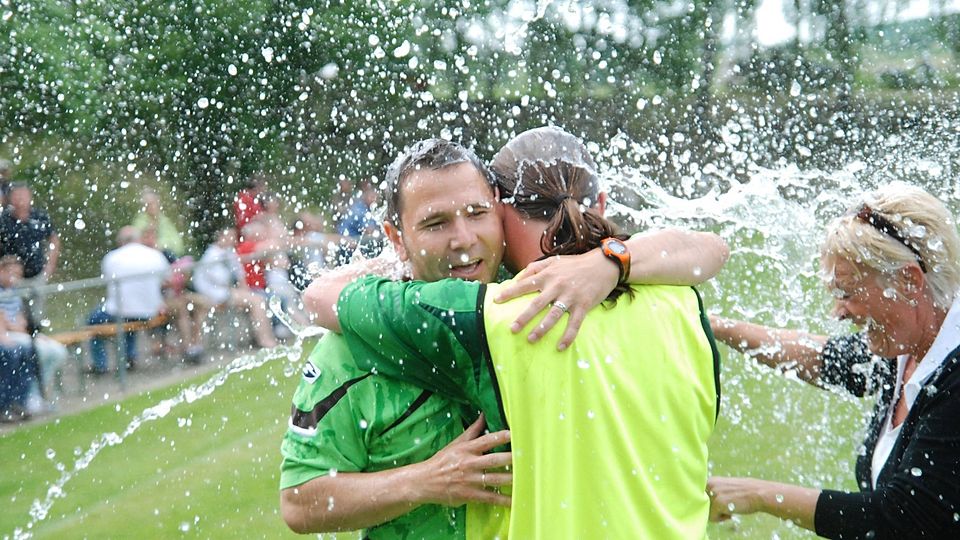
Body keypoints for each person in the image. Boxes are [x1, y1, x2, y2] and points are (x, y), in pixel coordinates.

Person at [302, 128, 723, 538]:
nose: (465, 239)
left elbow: (323, 295)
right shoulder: (683, 302)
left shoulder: (491, 317)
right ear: (601, 201)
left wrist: (406, 254)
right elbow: (713, 248)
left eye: (477, 214)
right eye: (438, 223)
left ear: (500, 211)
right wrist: (612, 260)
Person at [706, 182, 960, 539]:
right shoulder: (907, 350)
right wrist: (713, 326)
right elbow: (824, 358)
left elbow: (901, 518)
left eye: (847, 294)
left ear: (908, 280)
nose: (838, 313)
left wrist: (757, 495)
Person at [87, 226, 171, 374]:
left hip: (121, 310)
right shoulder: (155, 255)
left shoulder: (112, 258)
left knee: (93, 321)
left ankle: (101, 364)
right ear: (138, 239)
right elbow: (166, 280)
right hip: (151, 310)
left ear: (120, 242)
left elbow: (108, 282)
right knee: (129, 320)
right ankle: (129, 356)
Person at [191, 227, 277, 349]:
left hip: (227, 291)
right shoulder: (212, 255)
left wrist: (244, 290)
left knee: (259, 299)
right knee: (257, 302)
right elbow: (219, 280)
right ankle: (264, 339)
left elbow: (239, 274)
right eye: (229, 237)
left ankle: (265, 337)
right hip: (215, 294)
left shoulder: (229, 252)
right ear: (221, 237)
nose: (232, 240)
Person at [0, 255, 67, 410]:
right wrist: (14, 327)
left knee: (57, 352)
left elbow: (21, 320)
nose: (14, 279)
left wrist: (30, 333)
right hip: (7, 336)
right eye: (11, 274)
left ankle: (34, 393)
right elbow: (5, 322)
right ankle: (22, 399)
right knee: (34, 351)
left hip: (18, 333)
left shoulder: (14, 292)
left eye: (17, 275)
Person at [0, 182, 61, 323]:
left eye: (24, 195)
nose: (20, 199)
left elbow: (54, 239)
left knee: (37, 314)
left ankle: (36, 334)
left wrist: (50, 265)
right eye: (17, 195)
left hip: (37, 274)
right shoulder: (4, 220)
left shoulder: (39, 216)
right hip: (12, 279)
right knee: (15, 313)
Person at [132, 188, 184, 258]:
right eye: (148, 204)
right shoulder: (139, 221)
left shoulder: (165, 222)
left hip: (164, 256)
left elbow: (178, 244)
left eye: (153, 203)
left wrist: (159, 245)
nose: (152, 206)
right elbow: (135, 242)